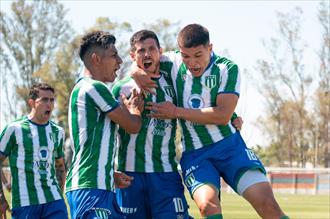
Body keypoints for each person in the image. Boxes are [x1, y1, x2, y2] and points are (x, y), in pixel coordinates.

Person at [134, 24, 289, 219]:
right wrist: (134, 72)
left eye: (198, 55)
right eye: (186, 56)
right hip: (196, 155)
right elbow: (144, 58)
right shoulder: (172, 62)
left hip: (230, 148)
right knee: (207, 205)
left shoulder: (226, 68)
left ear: (210, 48)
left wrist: (175, 111)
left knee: (267, 204)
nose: (192, 63)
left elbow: (222, 115)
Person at [113, 30, 243, 219]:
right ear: (133, 56)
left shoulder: (174, 83)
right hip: (130, 175)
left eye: (152, 49)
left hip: (165, 173)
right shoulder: (121, 88)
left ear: (161, 52)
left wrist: (232, 116)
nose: (147, 54)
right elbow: (107, 130)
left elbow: (201, 100)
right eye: (141, 51)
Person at [65, 30, 144, 219]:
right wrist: (135, 110)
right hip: (89, 188)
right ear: (96, 59)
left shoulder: (86, 88)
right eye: (113, 55)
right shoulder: (94, 87)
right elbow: (133, 126)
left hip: (99, 186)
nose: (120, 61)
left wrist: (108, 173)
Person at [0, 83, 68, 219]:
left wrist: (59, 195)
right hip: (25, 203)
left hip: (54, 201)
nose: (49, 104)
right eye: (44, 100)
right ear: (31, 103)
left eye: (52, 100)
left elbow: (60, 166)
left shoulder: (58, 132)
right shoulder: (14, 129)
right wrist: (1, 197)